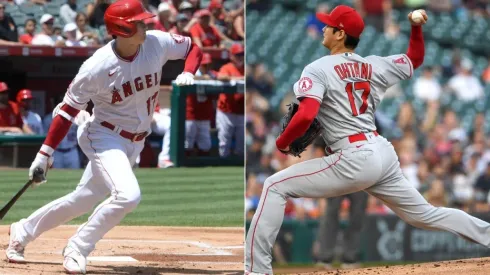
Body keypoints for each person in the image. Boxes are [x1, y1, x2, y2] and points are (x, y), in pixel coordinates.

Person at [245, 6, 490, 275]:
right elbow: (415, 58)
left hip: (353, 155)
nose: (324, 28)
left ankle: (256, 270)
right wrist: (416, 28)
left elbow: (305, 115)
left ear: (340, 34)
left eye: (329, 26)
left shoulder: (317, 68)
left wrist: (282, 141)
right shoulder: (372, 64)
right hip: (381, 152)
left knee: (273, 185)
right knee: (426, 215)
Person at [5, 0, 202, 274]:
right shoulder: (96, 66)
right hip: (104, 135)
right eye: (139, 22)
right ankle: (78, 247)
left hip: (135, 140)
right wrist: (44, 154)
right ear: (122, 29)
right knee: (128, 195)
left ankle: (23, 230)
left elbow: (193, 47)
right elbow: (66, 112)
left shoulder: (156, 42)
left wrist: (189, 71)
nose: (146, 25)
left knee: (84, 198)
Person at [315, 192, 368, 269]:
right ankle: (325, 258)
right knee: (330, 214)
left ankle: (350, 258)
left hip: (360, 182)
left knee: (357, 218)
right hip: (337, 181)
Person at [185, 53, 216, 156]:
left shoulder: (212, 75)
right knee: (188, 142)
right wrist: (204, 78)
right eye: (204, 65)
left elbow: (223, 77)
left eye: (208, 65)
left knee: (206, 144)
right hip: (191, 114)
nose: (206, 67)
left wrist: (211, 78)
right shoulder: (192, 73)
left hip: (205, 115)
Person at [216, 43, 244, 157]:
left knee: (241, 143)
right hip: (226, 111)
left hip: (241, 111)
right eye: (238, 55)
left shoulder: (244, 68)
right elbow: (221, 77)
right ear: (232, 56)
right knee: (224, 141)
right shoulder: (227, 67)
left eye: (242, 54)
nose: (240, 57)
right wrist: (239, 78)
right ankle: (223, 164)